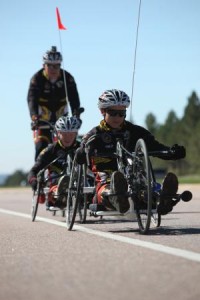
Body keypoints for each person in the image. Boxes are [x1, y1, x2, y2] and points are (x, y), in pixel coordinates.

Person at [76, 89, 188, 215]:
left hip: (132, 175)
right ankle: (116, 197)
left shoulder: (135, 131)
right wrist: (81, 152)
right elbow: (82, 149)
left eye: (121, 113)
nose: (117, 117)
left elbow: (155, 147)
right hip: (106, 174)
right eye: (113, 113)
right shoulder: (94, 135)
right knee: (107, 184)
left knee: (144, 183)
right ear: (102, 111)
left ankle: (162, 198)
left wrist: (171, 152)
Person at [27, 45, 82, 160]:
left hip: (61, 118)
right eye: (50, 66)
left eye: (57, 66)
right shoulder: (37, 79)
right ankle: (38, 176)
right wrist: (34, 116)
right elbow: (32, 99)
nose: (53, 69)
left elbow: (74, 98)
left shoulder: (67, 78)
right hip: (42, 120)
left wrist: (76, 113)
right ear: (44, 65)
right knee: (41, 147)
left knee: (66, 147)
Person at [28, 115, 82, 210]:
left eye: (71, 134)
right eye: (64, 133)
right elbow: (34, 170)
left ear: (76, 133)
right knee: (56, 181)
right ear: (58, 133)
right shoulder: (50, 150)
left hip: (77, 180)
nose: (68, 137)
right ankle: (59, 194)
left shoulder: (81, 148)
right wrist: (34, 181)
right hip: (56, 179)